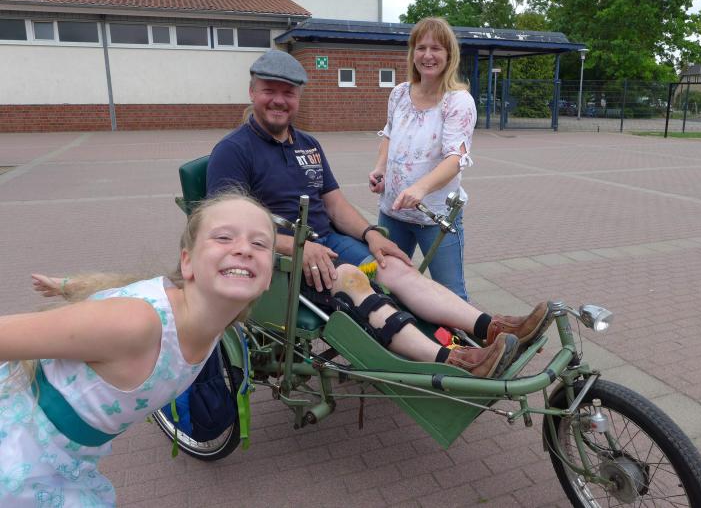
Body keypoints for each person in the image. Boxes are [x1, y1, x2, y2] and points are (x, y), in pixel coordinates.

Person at [206, 49, 550, 378]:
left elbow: (335, 204)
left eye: (288, 93)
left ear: (298, 97)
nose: (279, 101)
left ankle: (491, 327)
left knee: (396, 266)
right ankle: (454, 360)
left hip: (327, 244)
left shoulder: (308, 144)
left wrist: (371, 235)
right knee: (352, 280)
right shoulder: (233, 151)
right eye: (269, 91)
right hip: (284, 263)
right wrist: (294, 246)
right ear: (252, 92)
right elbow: (225, 229)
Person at [0, 191, 275, 506]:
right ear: (188, 262)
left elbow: (125, 286)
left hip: (63, 460)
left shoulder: (214, 325)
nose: (243, 249)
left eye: (259, 243)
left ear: (269, 274)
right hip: (16, 454)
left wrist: (70, 286)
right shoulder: (136, 323)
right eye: (224, 237)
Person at [369, 17, 476, 301]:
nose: (428, 55)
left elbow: (456, 158)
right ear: (412, 53)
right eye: (421, 47)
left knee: (451, 294)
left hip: (435, 216)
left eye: (436, 48)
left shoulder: (458, 101)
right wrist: (380, 169)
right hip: (393, 212)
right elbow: (389, 134)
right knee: (386, 286)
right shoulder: (399, 93)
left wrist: (419, 189)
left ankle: (471, 333)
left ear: (449, 55)